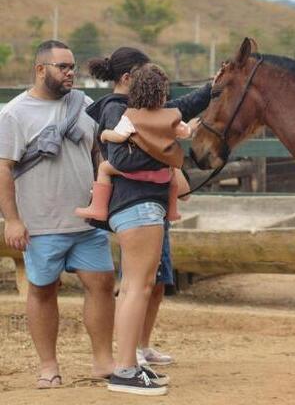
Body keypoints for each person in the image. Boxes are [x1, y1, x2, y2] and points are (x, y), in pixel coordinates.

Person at [85, 48, 212, 395]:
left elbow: (180, 109)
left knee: (135, 286)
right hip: (138, 208)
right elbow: (121, 159)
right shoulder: (116, 110)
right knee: (137, 287)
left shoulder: (136, 113)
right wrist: (162, 153)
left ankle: (128, 365)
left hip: (138, 208)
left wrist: (213, 86)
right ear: (128, 79)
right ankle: (126, 369)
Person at [0, 40, 115, 389]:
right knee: (43, 289)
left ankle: (103, 361)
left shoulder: (85, 105)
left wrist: (104, 195)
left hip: (87, 219)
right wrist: (13, 219)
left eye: (72, 67)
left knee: (102, 283)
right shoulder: (14, 114)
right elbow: (3, 169)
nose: (70, 73)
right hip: (41, 222)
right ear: (40, 70)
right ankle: (48, 365)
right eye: (62, 67)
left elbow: (99, 151)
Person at [75, 64, 192, 222]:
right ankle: (172, 210)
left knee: (104, 168)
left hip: (136, 174)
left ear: (134, 94)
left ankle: (98, 207)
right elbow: (185, 131)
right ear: (164, 95)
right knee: (172, 172)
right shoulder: (169, 117)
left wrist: (105, 134)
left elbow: (119, 136)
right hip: (163, 174)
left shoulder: (130, 117)